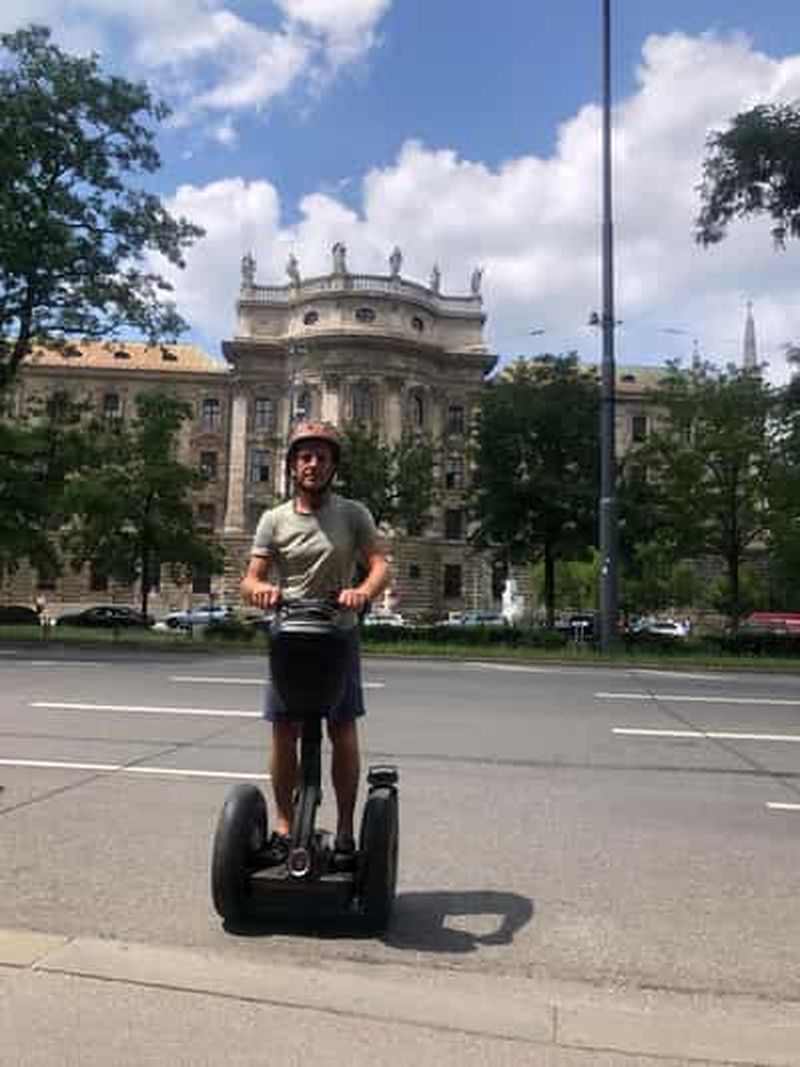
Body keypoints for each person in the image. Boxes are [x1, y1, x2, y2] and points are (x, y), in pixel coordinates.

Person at [240, 421, 390, 868]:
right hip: (288, 634)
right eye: (304, 457)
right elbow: (250, 577)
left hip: (337, 634)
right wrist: (261, 591)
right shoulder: (275, 519)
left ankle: (345, 830)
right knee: (283, 729)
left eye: (322, 457)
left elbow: (381, 564)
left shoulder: (353, 514)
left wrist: (363, 591)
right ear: (292, 466)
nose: (313, 464)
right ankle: (285, 824)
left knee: (341, 727)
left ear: (332, 467)